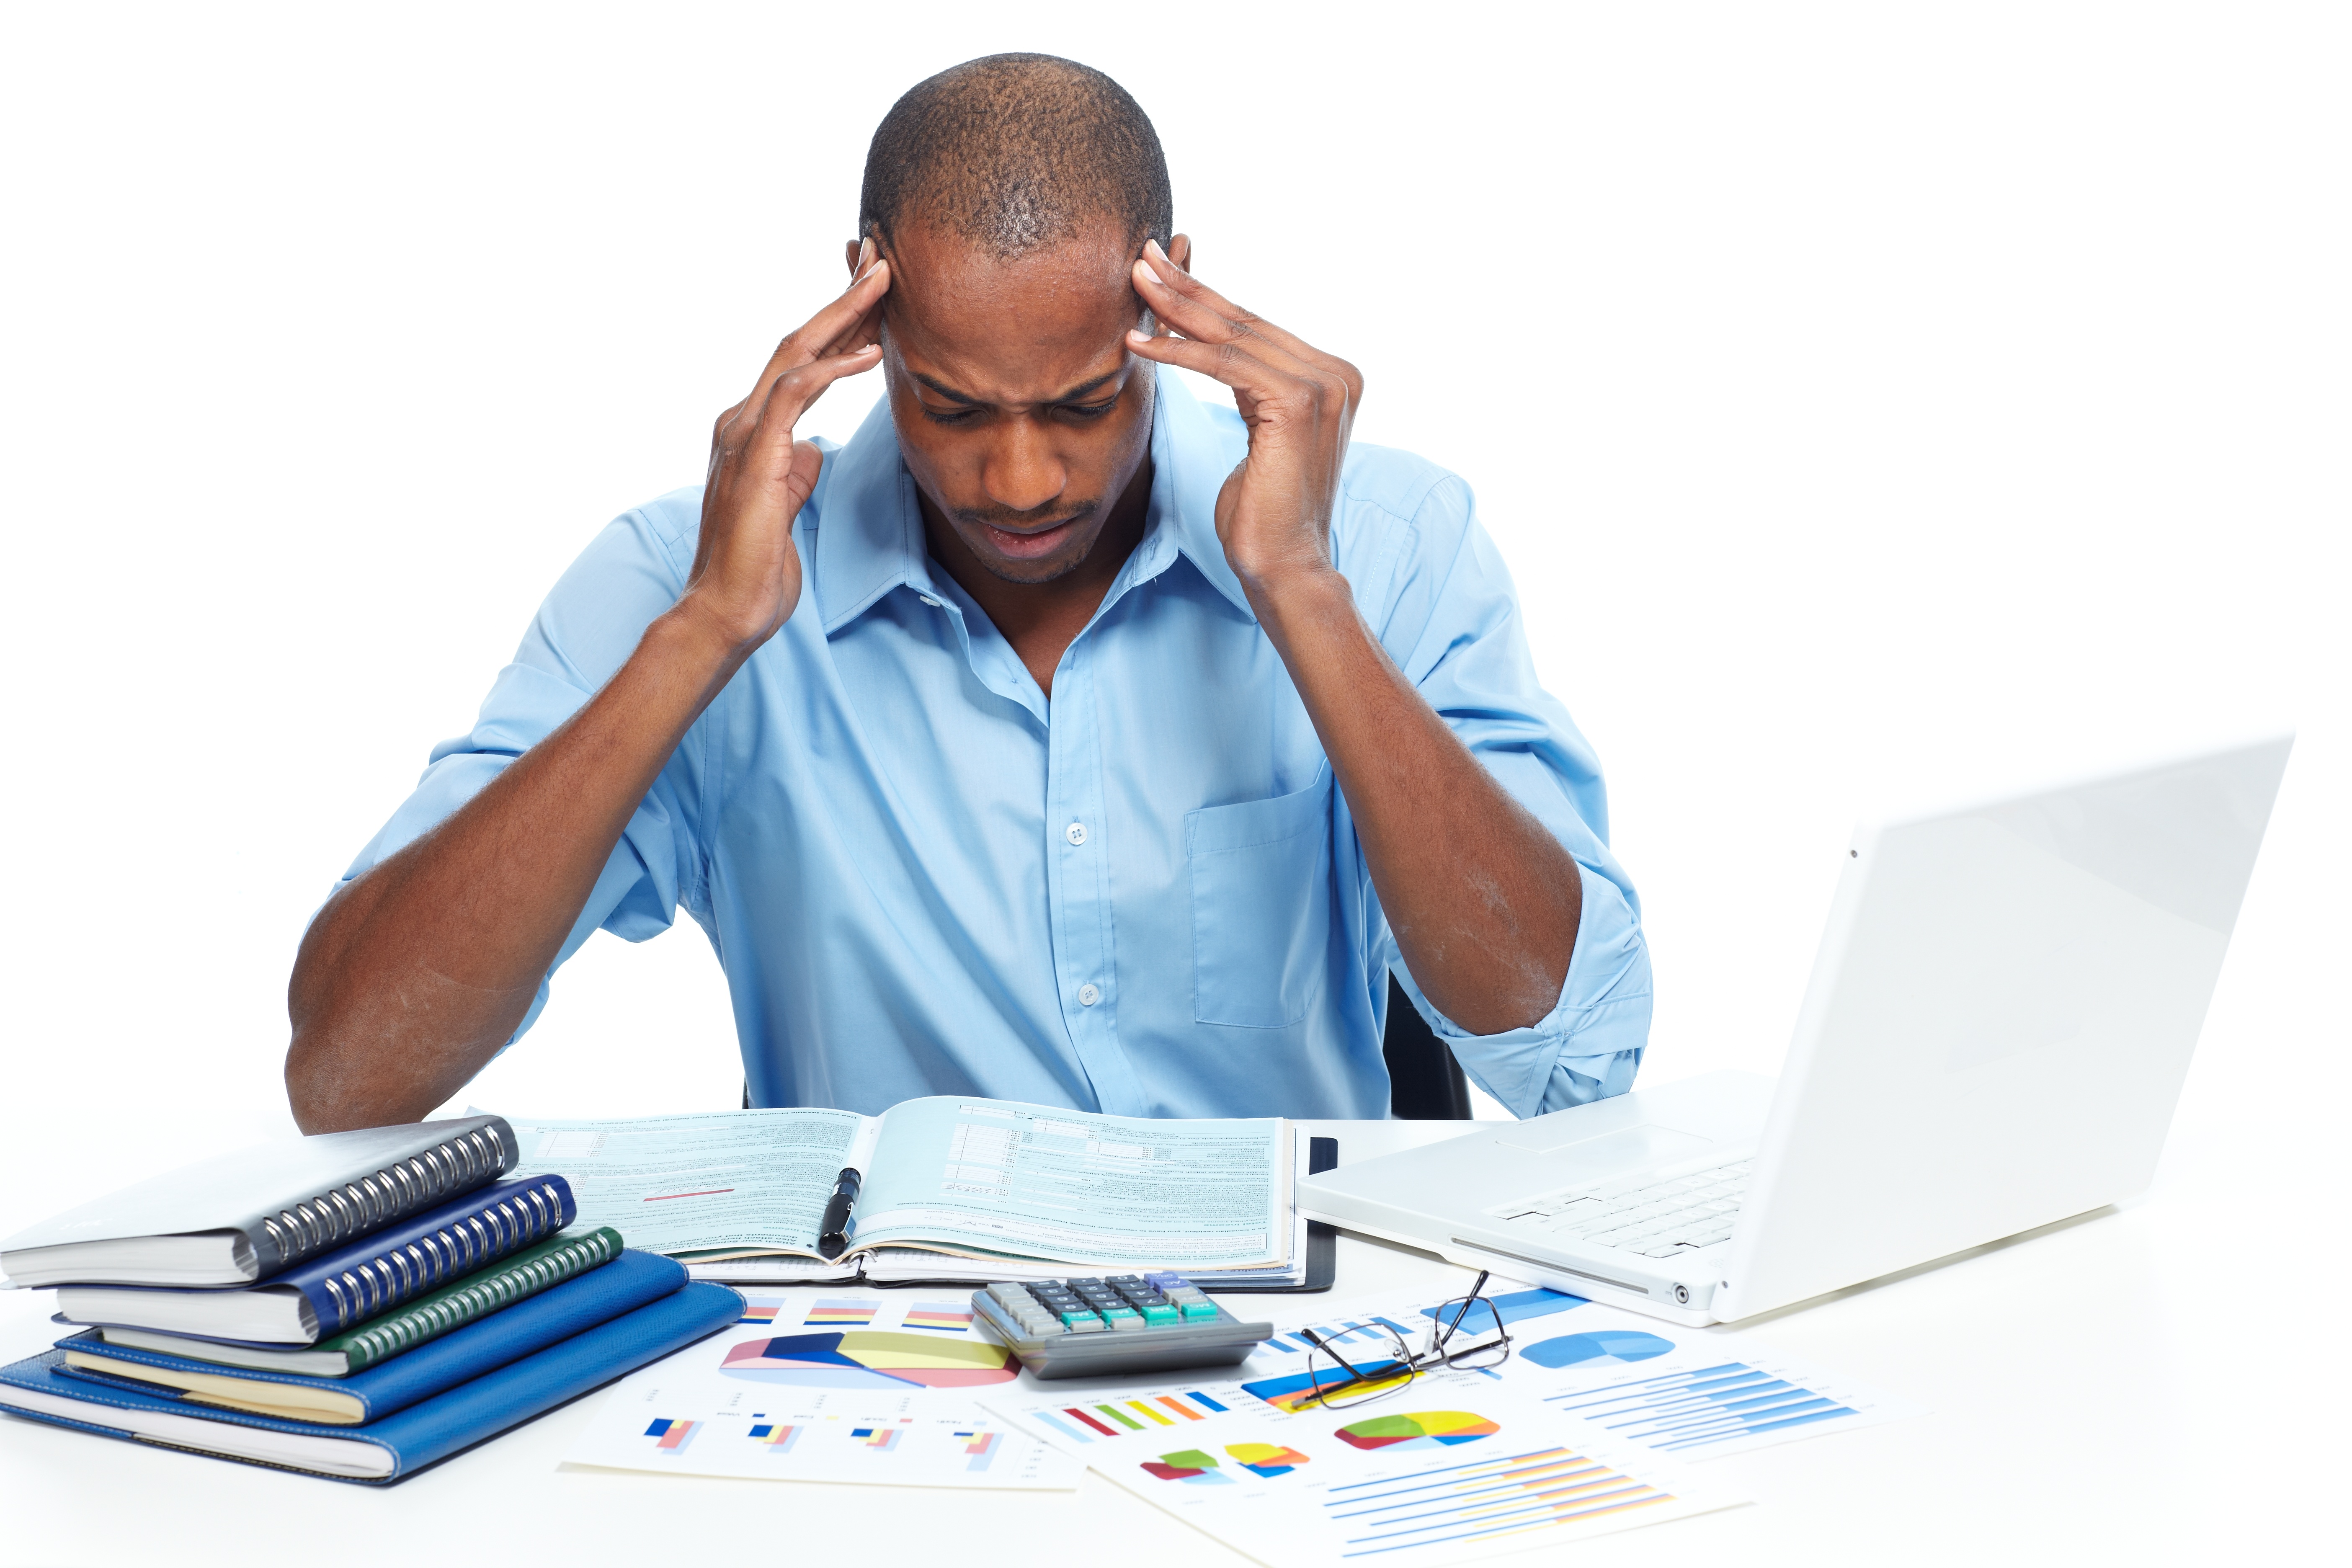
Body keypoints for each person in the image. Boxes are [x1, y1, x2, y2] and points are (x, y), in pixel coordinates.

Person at [285, 54, 1651, 1133]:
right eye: (948, 405)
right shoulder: (683, 575)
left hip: (1289, 1354)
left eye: (1082, 402)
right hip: (894, 1369)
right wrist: (699, 639)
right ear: (864, 306)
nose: (1017, 478)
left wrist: (1299, 592)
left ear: (1167, 301)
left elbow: (1578, 1056)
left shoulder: (1390, 538)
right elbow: (347, 1075)